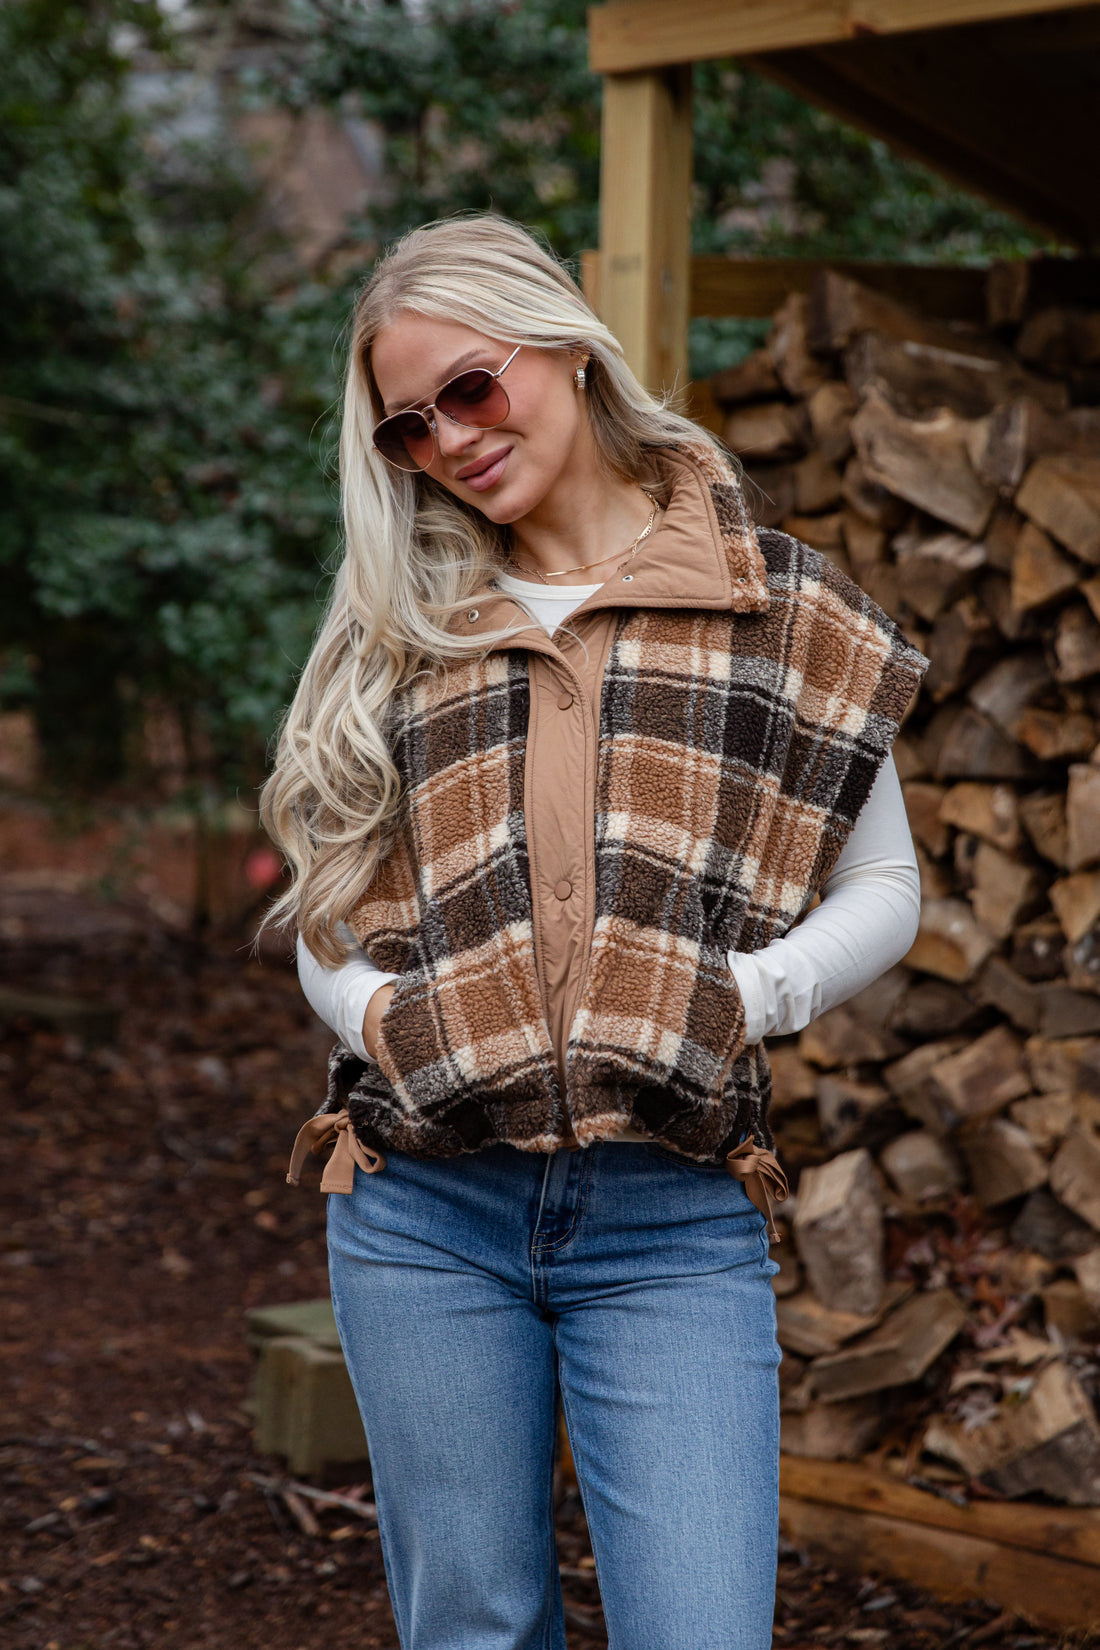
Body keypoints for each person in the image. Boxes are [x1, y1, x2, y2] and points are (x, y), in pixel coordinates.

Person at [261, 214, 930, 1650]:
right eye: (407, 427)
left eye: (470, 389)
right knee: (479, 1629)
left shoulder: (780, 604)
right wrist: (378, 1021)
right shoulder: (402, 620)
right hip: (424, 1206)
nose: (446, 440)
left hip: (671, 1211)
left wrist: (745, 995)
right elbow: (326, 902)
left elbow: (889, 887)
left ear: (560, 342)